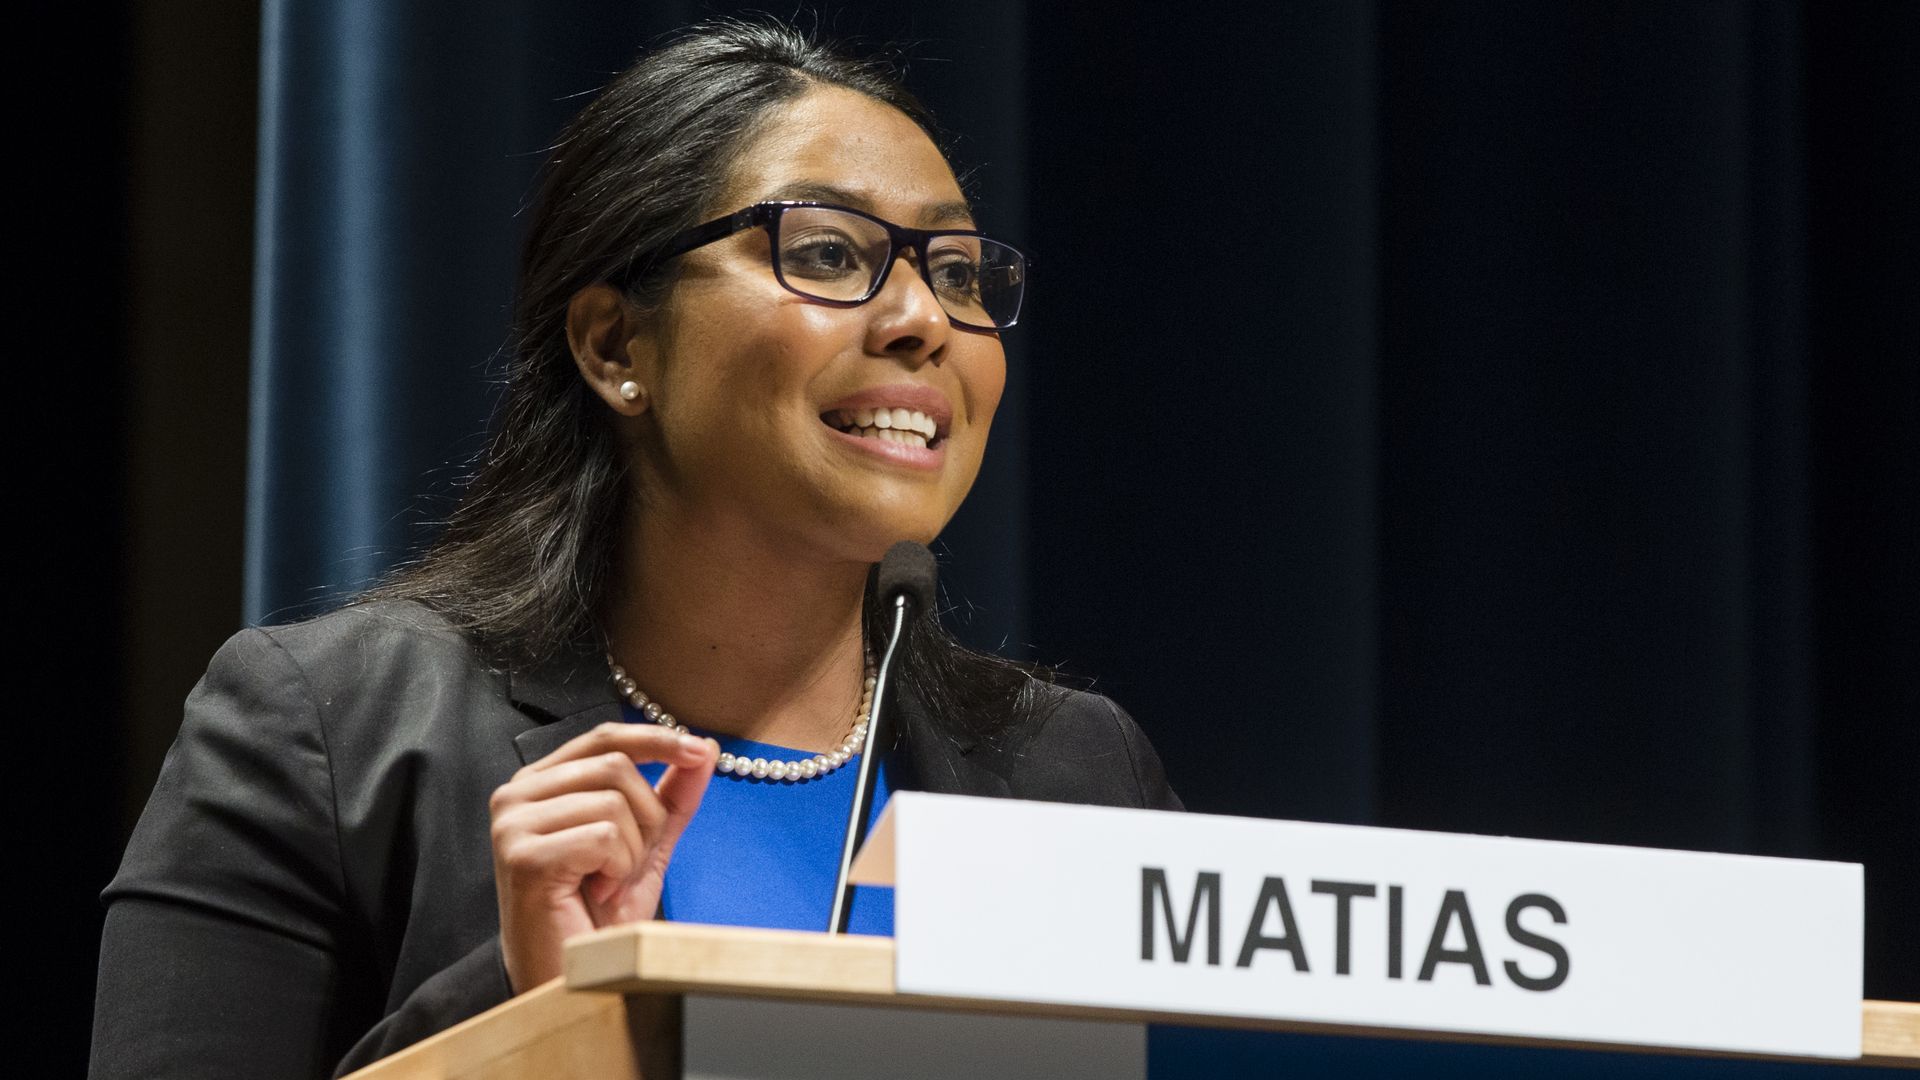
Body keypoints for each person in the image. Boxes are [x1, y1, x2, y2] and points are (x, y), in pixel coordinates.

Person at [90, 18, 1181, 1080]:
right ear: (617, 343)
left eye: (954, 271)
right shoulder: (328, 735)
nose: (921, 319)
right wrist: (534, 1013)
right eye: (830, 253)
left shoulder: (1074, 777)